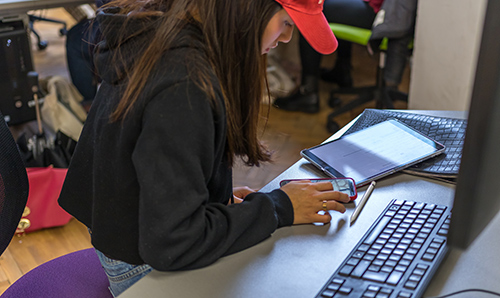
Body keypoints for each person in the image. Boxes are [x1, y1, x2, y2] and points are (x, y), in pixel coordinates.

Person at [58, 0, 349, 296]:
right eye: (286, 23)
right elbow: (173, 243)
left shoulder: (166, 32)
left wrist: (209, 196)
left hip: (126, 231)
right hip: (144, 267)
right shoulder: (184, 86)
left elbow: (151, 162)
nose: (287, 37)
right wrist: (279, 208)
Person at [272, 0, 381, 113]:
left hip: (383, 14)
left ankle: (308, 92)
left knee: (309, 11)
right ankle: (342, 70)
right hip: (385, 9)